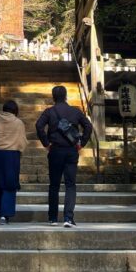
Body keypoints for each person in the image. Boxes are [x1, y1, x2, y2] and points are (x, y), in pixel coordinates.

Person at [35, 85, 93, 228]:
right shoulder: (75, 111)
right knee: (70, 185)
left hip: (55, 150)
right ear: (66, 96)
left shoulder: (49, 112)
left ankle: (53, 218)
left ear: (53, 97)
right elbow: (88, 126)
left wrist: (46, 143)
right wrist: (82, 143)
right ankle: (68, 218)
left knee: (54, 185)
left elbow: (38, 126)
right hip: (71, 151)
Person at [0, 100, 28, 224]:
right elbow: (22, 142)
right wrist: (20, 151)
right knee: (9, 185)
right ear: (15, 111)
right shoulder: (18, 123)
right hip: (10, 155)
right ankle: (5, 215)